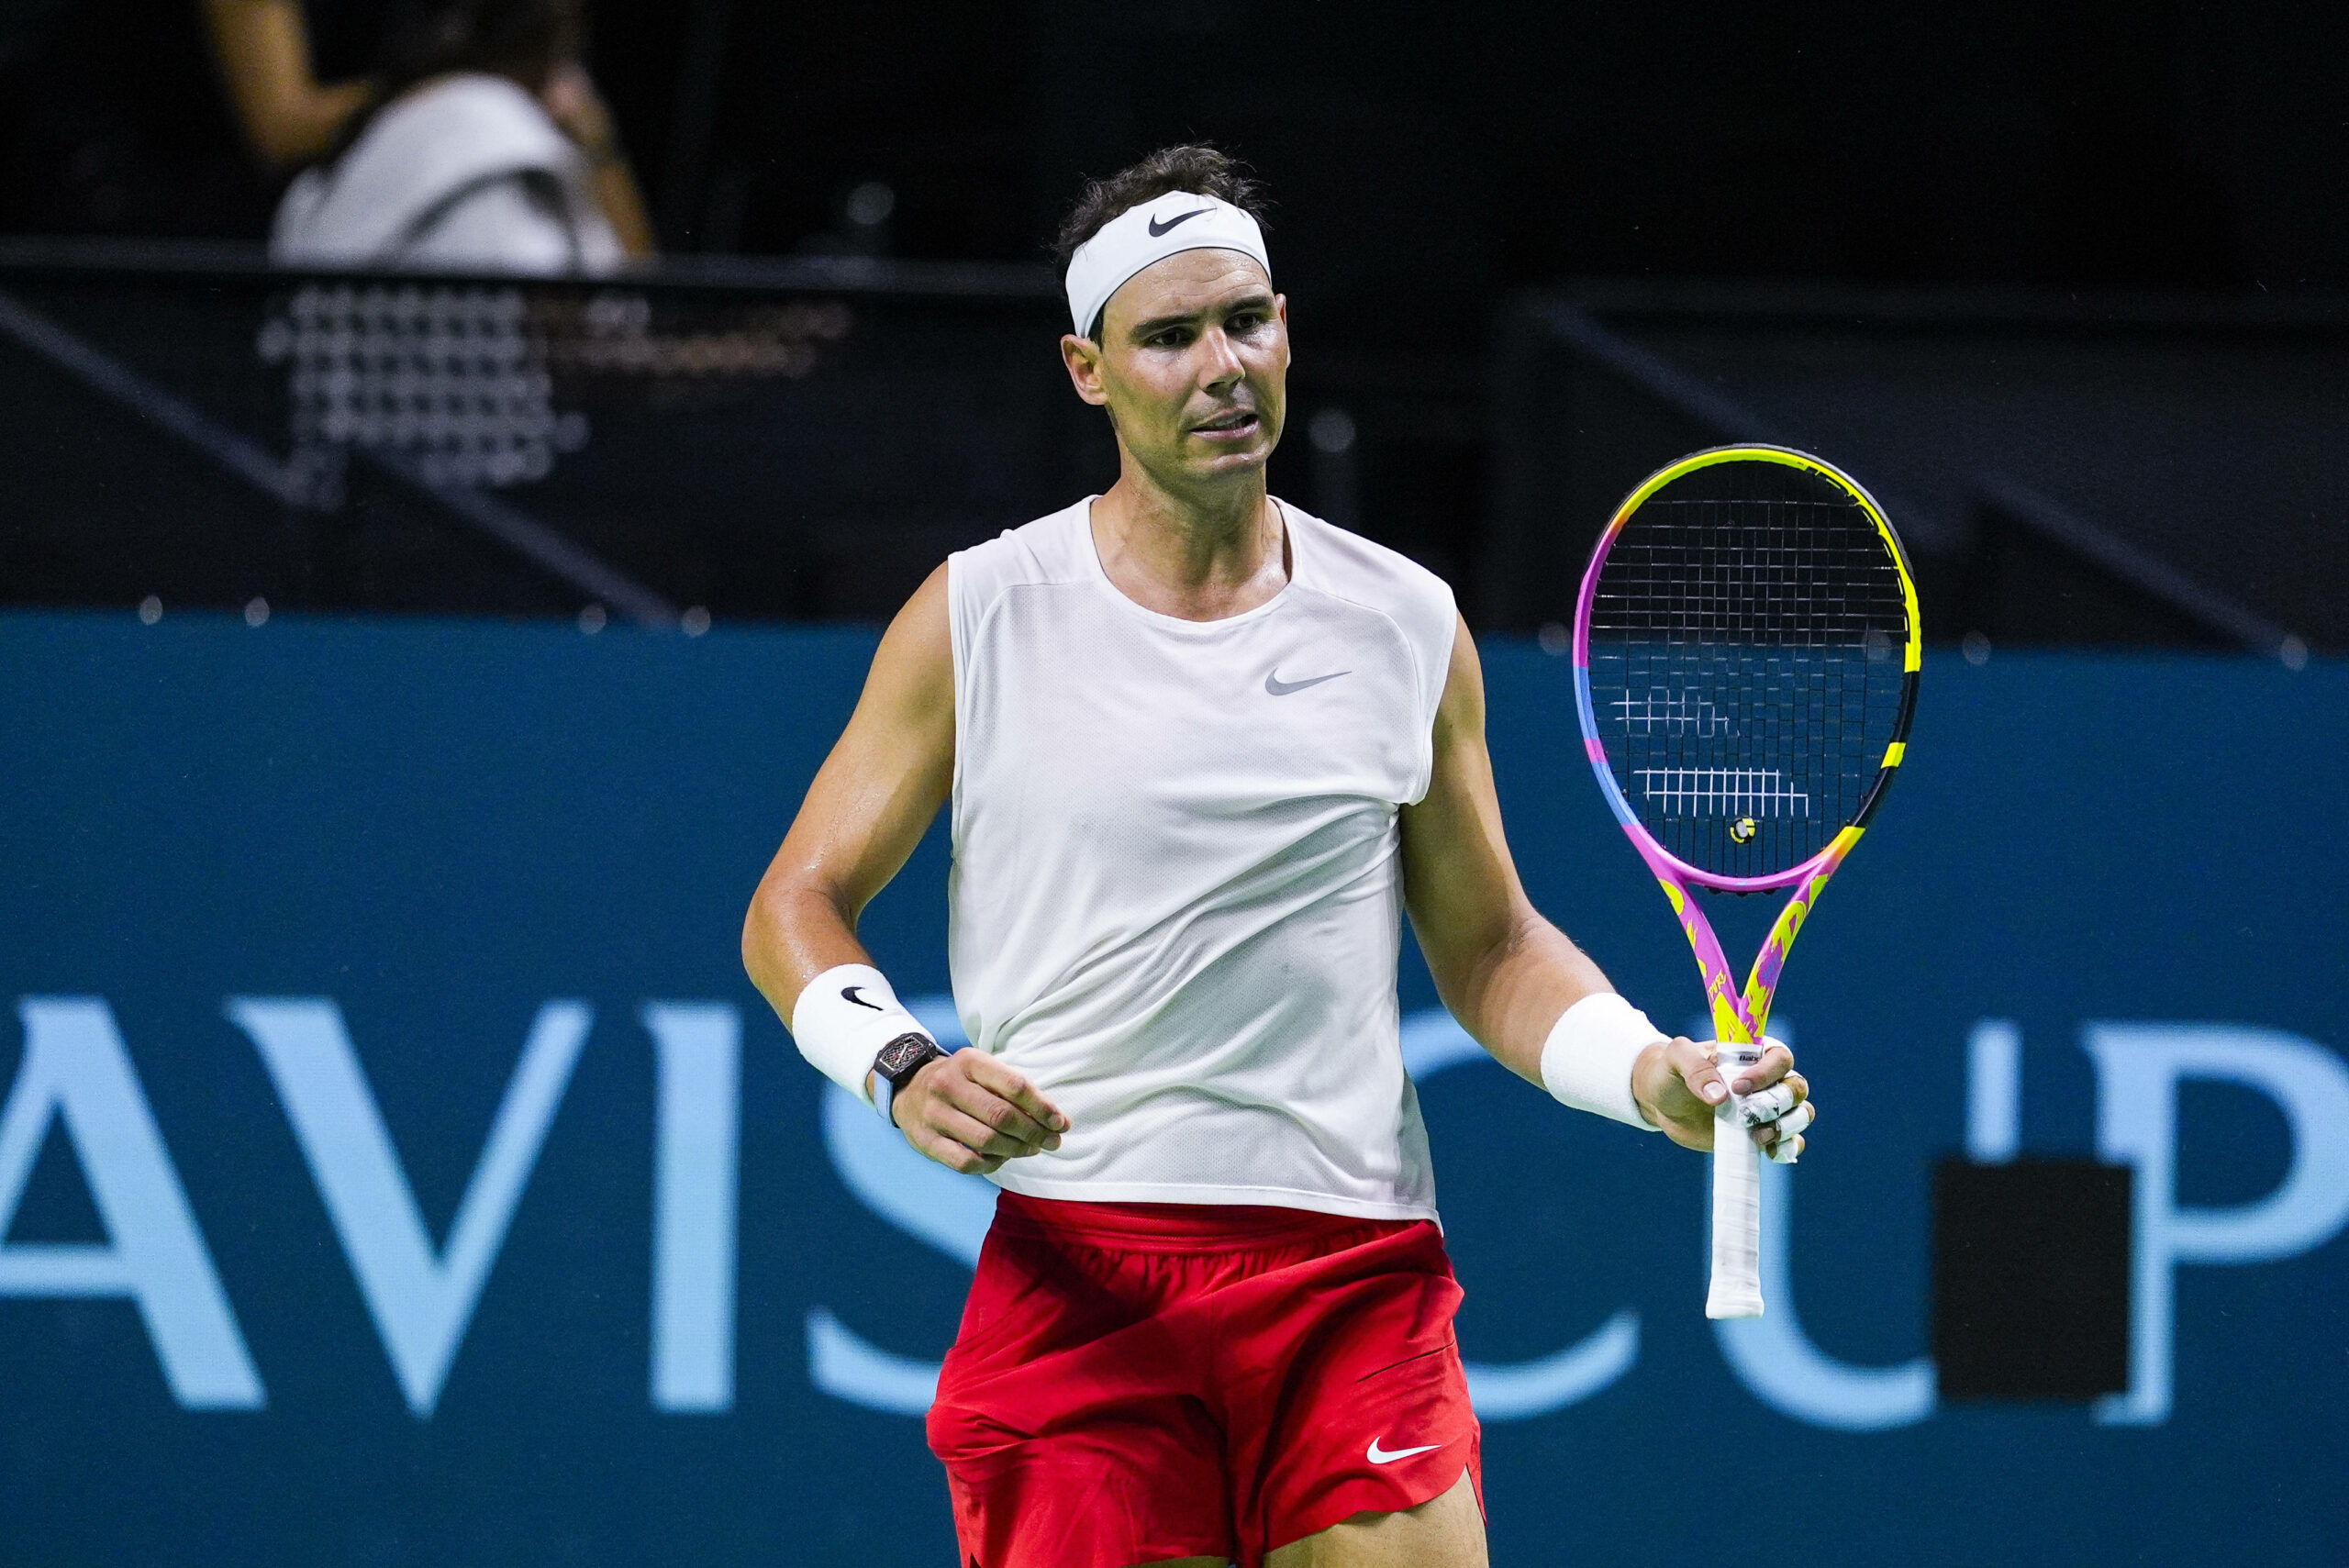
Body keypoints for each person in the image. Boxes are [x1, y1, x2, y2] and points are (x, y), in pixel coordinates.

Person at [741, 144, 1815, 1568]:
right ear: (1089, 368)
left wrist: (1649, 1077)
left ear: (1286, 329)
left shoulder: (1401, 620)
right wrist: (897, 1064)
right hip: (1083, 1273)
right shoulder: (982, 612)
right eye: (1168, 337)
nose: (1220, 366)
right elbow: (794, 903)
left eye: (1244, 322)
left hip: (1350, 1271)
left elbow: (1488, 946)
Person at [237, 0, 652, 270]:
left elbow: (635, 274)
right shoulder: (483, 85)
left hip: (469, 281)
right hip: (255, 262)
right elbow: (282, 127)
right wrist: (471, 81)